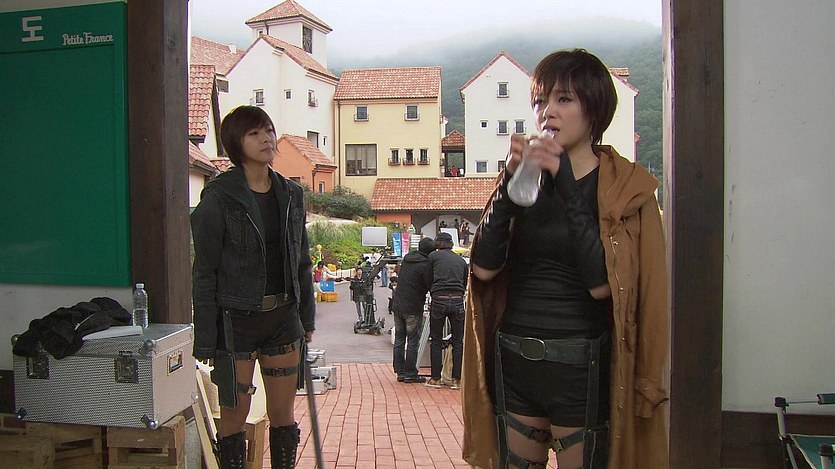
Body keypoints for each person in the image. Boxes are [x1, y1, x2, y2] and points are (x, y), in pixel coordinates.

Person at [462, 49, 669, 469]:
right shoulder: (525, 182)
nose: (548, 112)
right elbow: (482, 268)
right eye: (540, 101)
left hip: (582, 365)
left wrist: (570, 187)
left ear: (594, 110)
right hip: (515, 358)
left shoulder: (626, 191)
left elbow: (602, 285)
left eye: (564, 99)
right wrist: (507, 187)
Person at [191, 106, 316, 469]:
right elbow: (205, 271)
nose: (266, 139)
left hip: (283, 317)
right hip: (237, 320)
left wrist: (306, 318)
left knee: (283, 416)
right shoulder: (219, 197)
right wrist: (206, 337)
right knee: (234, 417)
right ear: (236, 143)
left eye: (269, 131)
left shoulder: (291, 194)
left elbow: (302, 260)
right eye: (254, 133)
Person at [425, 231, 468, 390]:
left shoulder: (433, 257)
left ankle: (435, 379)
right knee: (458, 341)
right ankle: (457, 380)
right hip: (457, 300)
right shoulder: (461, 260)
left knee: (436, 340)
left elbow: (428, 278)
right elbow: (464, 282)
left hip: (439, 299)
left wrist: (433, 291)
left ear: (438, 243)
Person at [390, 237, 435, 383]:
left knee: (399, 339)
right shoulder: (425, 265)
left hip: (398, 304)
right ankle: (410, 373)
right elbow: (430, 285)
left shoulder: (407, 260)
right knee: (413, 340)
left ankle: (400, 371)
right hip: (413, 306)